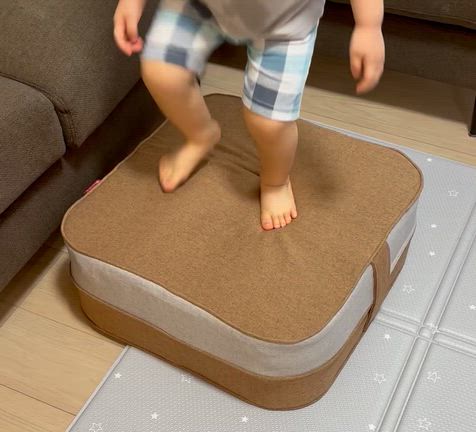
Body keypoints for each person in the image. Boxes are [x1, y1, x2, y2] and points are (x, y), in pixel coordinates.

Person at [113, 0, 385, 230]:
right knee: (162, 73)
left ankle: (276, 182)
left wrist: (369, 26)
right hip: (203, 6)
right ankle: (200, 136)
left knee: (270, 123)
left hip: (285, 23)